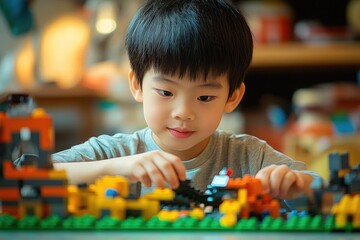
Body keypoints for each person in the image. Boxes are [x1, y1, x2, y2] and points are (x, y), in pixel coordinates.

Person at [52, 0, 321, 200]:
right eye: (166, 93)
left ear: (232, 97)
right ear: (137, 85)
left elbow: (329, 192)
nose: (183, 112)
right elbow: (24, 177)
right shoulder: (116, 153)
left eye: (204, 97)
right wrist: (119, 167)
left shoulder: (249, 157)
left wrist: (295, 184)